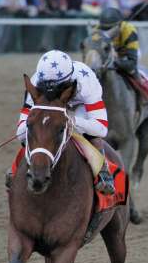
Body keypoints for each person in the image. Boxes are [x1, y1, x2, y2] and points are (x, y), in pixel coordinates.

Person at [12, 50, 115, 194]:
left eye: (56, 88)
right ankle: (16, 170)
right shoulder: (35, 82)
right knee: (31, 132)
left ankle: (104, 174)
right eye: (46, 88)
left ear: (68, 81)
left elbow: (101, 128)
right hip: (52, 108)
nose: (51, 92)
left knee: (90, 134)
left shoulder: (87, 81)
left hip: (79, 107)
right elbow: (20, 133)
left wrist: (71, 120)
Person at [97, 7, 148, 103]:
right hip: (108, 54)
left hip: (126, 54)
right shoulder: (97, 29)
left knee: (131, 70)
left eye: (110, 29)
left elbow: (131, 62)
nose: (107, 32)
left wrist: (116, 62)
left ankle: (147, 88)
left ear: (119, 25)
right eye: (104, 29)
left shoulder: (129, 30)